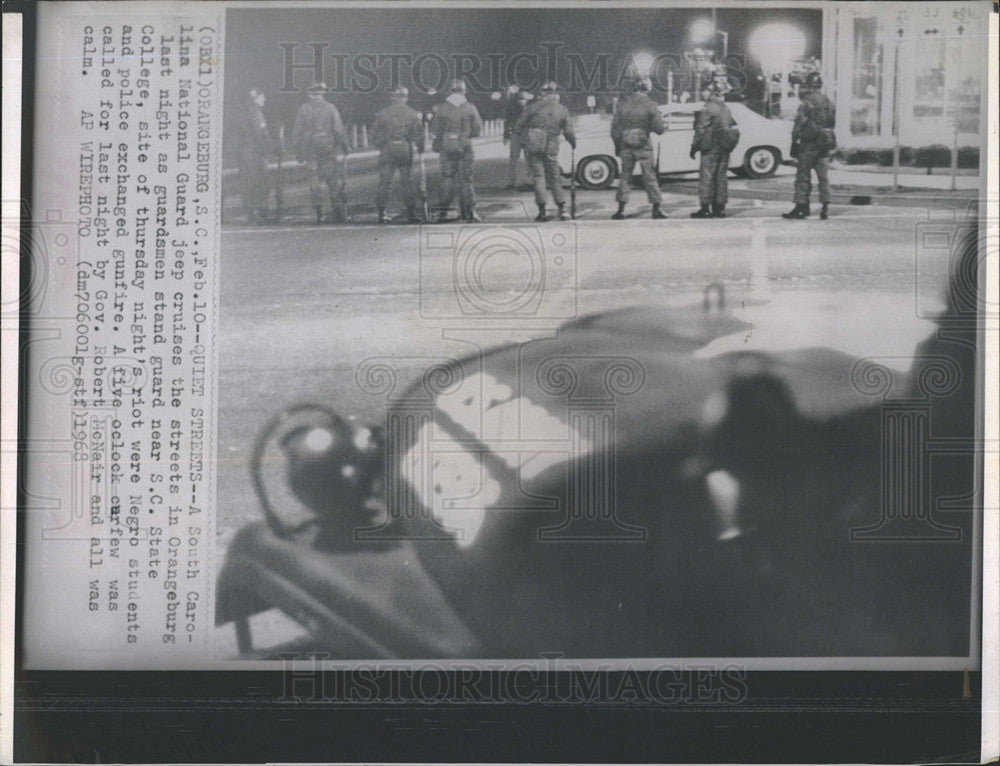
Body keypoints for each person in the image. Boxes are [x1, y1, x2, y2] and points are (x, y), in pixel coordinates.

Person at [514, 81, 576, 222]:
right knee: (554, 178)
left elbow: (518, 127)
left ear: (542, 93)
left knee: (538, 177)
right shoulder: (561, 109)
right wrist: (573, 142)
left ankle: (542, 211)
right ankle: (562, 209)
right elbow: (569, 132)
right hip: (551, 146)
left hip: (534, 145)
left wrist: (528, 137)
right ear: (555, 94)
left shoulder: (532, 107)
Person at [292, 82, 350, 224]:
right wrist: (344, 148)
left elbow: (296, 133)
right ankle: (338, 212)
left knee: (314, 181)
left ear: (309, 94)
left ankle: (319, 213)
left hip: (312, 151)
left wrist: (299, 153)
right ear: (322, 93)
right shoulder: (330, 108)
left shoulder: (303, 109)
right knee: (333, 181)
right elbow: (338, 130)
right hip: (328, 150)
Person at [610, 76, 666, 220]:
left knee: (625, 177)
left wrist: (618, 146)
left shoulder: (623, 104)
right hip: (644, 145)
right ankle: (656, 209)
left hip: (625, 145)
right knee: (650, 177)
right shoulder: (650, 104)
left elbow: (614, 129)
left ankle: (620, 210)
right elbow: (659, 128)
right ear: (648, 89)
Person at [783, 71, 836, 220]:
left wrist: (794, 141)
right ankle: (825, 206)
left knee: (803, 177)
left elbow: (799, 124)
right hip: (825, 144)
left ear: (809, 85)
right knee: (823, 178)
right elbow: (832, 123)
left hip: (809, 145)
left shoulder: (807, 103)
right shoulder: (830, 102)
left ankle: (801, 208)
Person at [431, 79, 484, 222]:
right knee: (466, 179)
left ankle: (443, 213)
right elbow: (477, 130)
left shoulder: (441, 108)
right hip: (465, 146)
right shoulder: (470, 108)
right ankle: (469, 212)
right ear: (464, 92)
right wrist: (465, 136)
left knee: (447, 178)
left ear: (450, 92)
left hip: (446, 147)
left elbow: (435, 130)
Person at [372, 86, 425, 224]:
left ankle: (382, 212)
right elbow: (418, 134)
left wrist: (382, 145)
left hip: (388, 148)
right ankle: (411, 213)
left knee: (385, 182)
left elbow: (374, 134)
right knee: (407, 181)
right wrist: (420, 148)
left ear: (392, 98)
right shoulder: (412, 113)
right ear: (405, 98)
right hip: (404, 148)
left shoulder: (382, 113)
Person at [689, 82, 737, 219]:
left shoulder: (708, 108)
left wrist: (694, 146)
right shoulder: (726, 109)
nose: (704, 93)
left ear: (712, 93)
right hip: (724, 147)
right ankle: (720, 208)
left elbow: (701, 130)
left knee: (707, 177)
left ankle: (705, 208)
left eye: (706, 91)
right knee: (721, 178)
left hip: (710, 147)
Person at [237, 88, 278, 224]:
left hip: (244, 153)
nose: (264, 99)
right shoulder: (256, 112)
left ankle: (251, 214)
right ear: (255, 99)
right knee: (261, 183)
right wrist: (273, 148)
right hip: (255, 153)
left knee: (248, 183)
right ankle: (262, 214)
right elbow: (261, 135)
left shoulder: (243, 112)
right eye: (262, 97)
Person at [503, 88, 532, 189]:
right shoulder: (527, 109)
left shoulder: (514, 109)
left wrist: (506, 136)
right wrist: (506, 135)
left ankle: (513, 182)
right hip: (522, 135)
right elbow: (507, 122)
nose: (521, 101)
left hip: (521, 135)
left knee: (517, 160)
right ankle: (525, 182)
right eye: (520, 99)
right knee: (524, 160)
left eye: (522, 99)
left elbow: (507, 122)